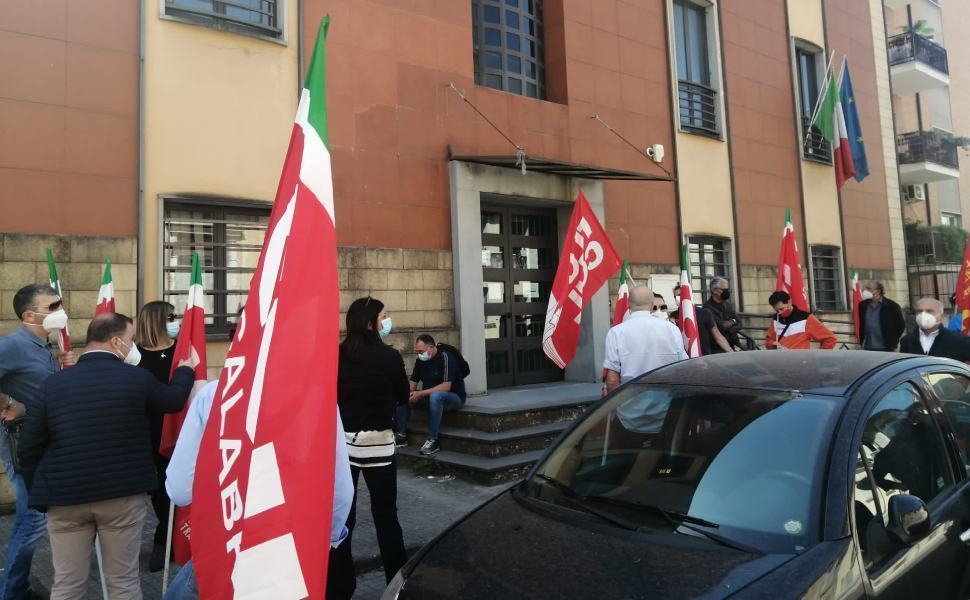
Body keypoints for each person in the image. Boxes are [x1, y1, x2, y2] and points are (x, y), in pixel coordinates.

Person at [17, 313, 194, 600]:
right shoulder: (136, 377)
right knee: (122, 582)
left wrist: (40, 490)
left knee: (66, 584)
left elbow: (29, 445)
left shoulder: (53, 384)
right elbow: (172, 401)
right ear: (116, 342)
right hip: (122, 496)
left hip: (64, 498)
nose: (132, 345)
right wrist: (185, 372)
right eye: (130, 339)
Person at [163, 381, 354, 600]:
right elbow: (341, 491)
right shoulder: (317, 394)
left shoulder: (213, 394)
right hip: (289, 551)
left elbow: (179, 490)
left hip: (226, 546)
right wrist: (326, 542)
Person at [327, 296, 408, 599]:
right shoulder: (389, 357)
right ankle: (396, 585)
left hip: (343, 448)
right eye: (384, 315)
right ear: (372, 322)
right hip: (379, 447)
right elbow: (401, 395)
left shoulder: (336, 355)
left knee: (342, 522)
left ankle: (339, 589)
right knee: (386, 518)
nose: (388, 320)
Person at [0, 284, 76, 600]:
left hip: (44, 440)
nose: (60, 310)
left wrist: (61, 367)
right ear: (29, 314)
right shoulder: (13, 345)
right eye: (53, 306)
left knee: (35, 517)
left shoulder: (44, 346)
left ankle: (16, 586)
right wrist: (7, 404)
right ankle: (12, 591)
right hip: (21, 443)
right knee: (32, 518)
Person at [134, 300, 180, 571]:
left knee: (180, 485)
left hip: (180, 431)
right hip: (149, 432)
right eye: (171, 317)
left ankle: (176, 537)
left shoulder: (183, 352)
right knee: (160, 490)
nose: (176, 321)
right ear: (155, 321)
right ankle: (163, 539)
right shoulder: (136, 356)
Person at [603, 286, 688, 394]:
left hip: (629, 403)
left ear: (628, 304)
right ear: (652, 305)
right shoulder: (671, 329)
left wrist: (613, 406)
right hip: (665, 402)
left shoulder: (615, 332)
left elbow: (612, 381)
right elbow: (683, 367)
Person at [397, 334, 467, 456]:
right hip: (429, 398)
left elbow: (446, 386)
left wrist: (420, 393)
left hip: (453, 397)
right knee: (402, 395)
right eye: (417, 352)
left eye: (421, 351)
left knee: (436, 396)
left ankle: (433, 440)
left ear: (430, 347)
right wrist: (407, 393)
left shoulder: (446, 357)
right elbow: (413, 382)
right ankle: (401, 436)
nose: (419, 354)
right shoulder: (420, 360)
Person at [670, 285, 735, 355]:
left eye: (681, 295)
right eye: (676, 296)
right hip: (683, 358)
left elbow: (717, 335)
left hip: (704, 356)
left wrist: (731, 352)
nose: (678, 298)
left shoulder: (704, 312)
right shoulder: (673, 316)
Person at [900, 298, 970, 360]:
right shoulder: (907, 341)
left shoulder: (958, 340)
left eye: (929, 311)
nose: (923, 315)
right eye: (919, 311)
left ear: (941, 316)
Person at [765, 291, 837, 350]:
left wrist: (820, 357)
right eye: (777, 311)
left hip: (801, 364)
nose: (780, 313)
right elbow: (768, 341)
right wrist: (771, 344)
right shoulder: (775, 319)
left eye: (782, 309)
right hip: (781, 363)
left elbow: (830, 339)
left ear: (789, 302)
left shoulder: (806, 318)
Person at [858, 280, 905, 352]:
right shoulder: (862, 305)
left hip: (886, 348)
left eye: (869, 289)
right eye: (866, 288)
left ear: (878, 291)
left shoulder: (892, 306)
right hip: (867, 346)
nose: (865, 291)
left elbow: (901, 325)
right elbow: (862, 324)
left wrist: (893, 340)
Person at [703, 276, 741, 352]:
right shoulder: (707, 308)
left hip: (731, 345)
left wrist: (730, 328)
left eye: (727, 289)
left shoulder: (728, 305)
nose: (726, 292)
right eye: (724, 290)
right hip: (716, 348)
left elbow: (740, 323)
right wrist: (733, 321)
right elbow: (721, 326)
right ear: (714, 291)